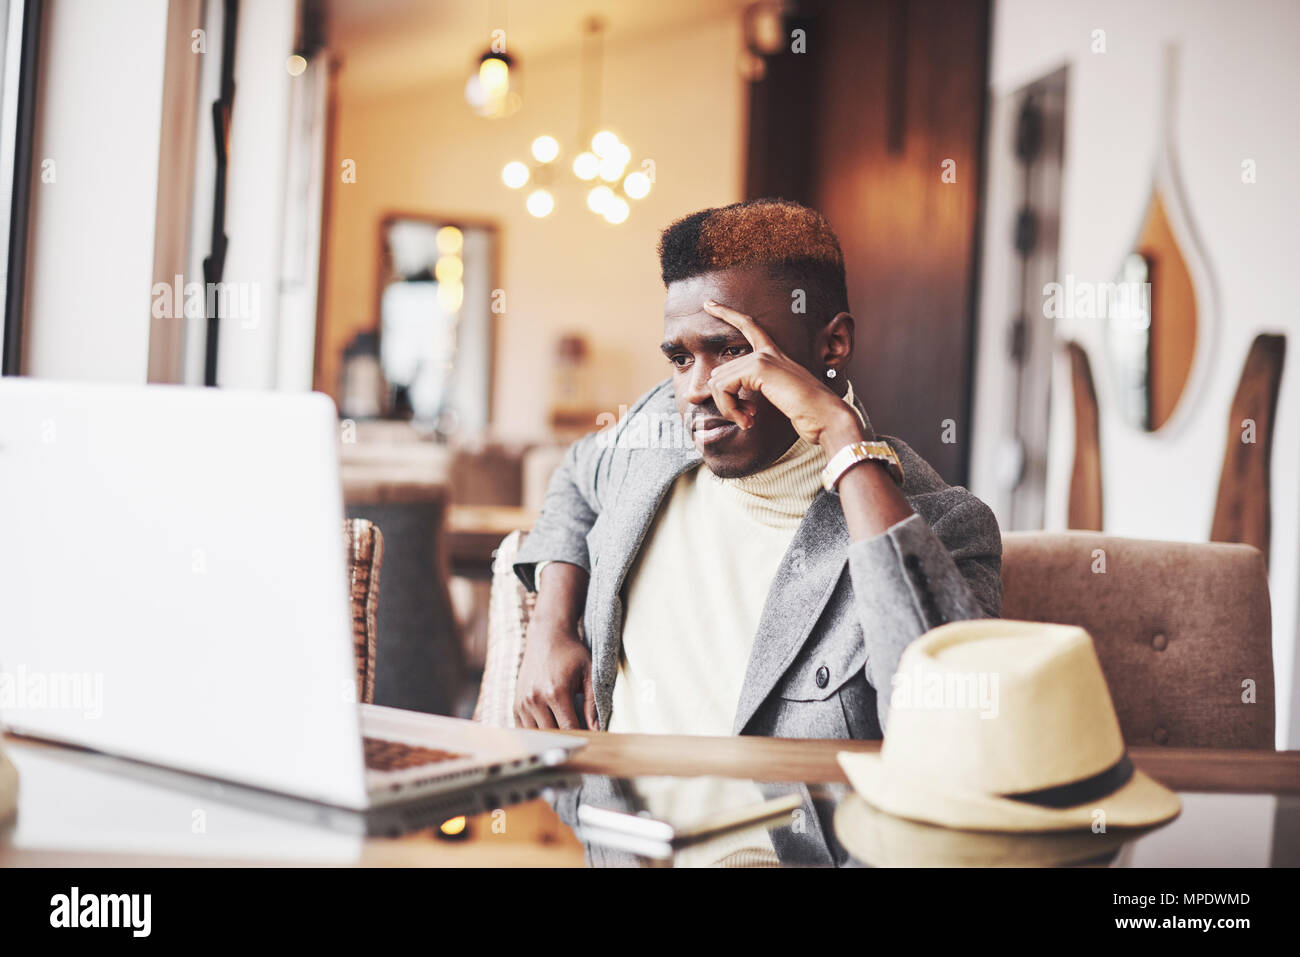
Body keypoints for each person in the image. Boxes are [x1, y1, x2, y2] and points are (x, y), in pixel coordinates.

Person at [512, 198, 1001, 743]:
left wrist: (845, 440)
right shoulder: (655, 433)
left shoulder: (941, 525)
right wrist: (550, 627)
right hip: (609, 824)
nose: (697, 388)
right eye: (679, 359)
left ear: (833, 345)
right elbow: (576, 478)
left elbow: (947, 728)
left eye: (733, 351)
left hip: (777, 832)